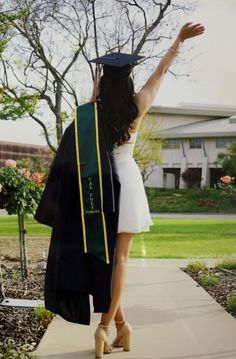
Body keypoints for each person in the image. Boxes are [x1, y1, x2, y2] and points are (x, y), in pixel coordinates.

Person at [91, 21, 205, 358]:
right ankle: (105, 327)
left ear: (103, 86)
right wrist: (179, 41)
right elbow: (160, 72)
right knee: (121, 259)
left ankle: (122, 327)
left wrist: (94, 92)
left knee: (109, 262)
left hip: (102, 183)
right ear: (128, 81)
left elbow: (88, 136)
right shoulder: (138, 105)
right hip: (126, 180)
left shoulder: (94, 112)